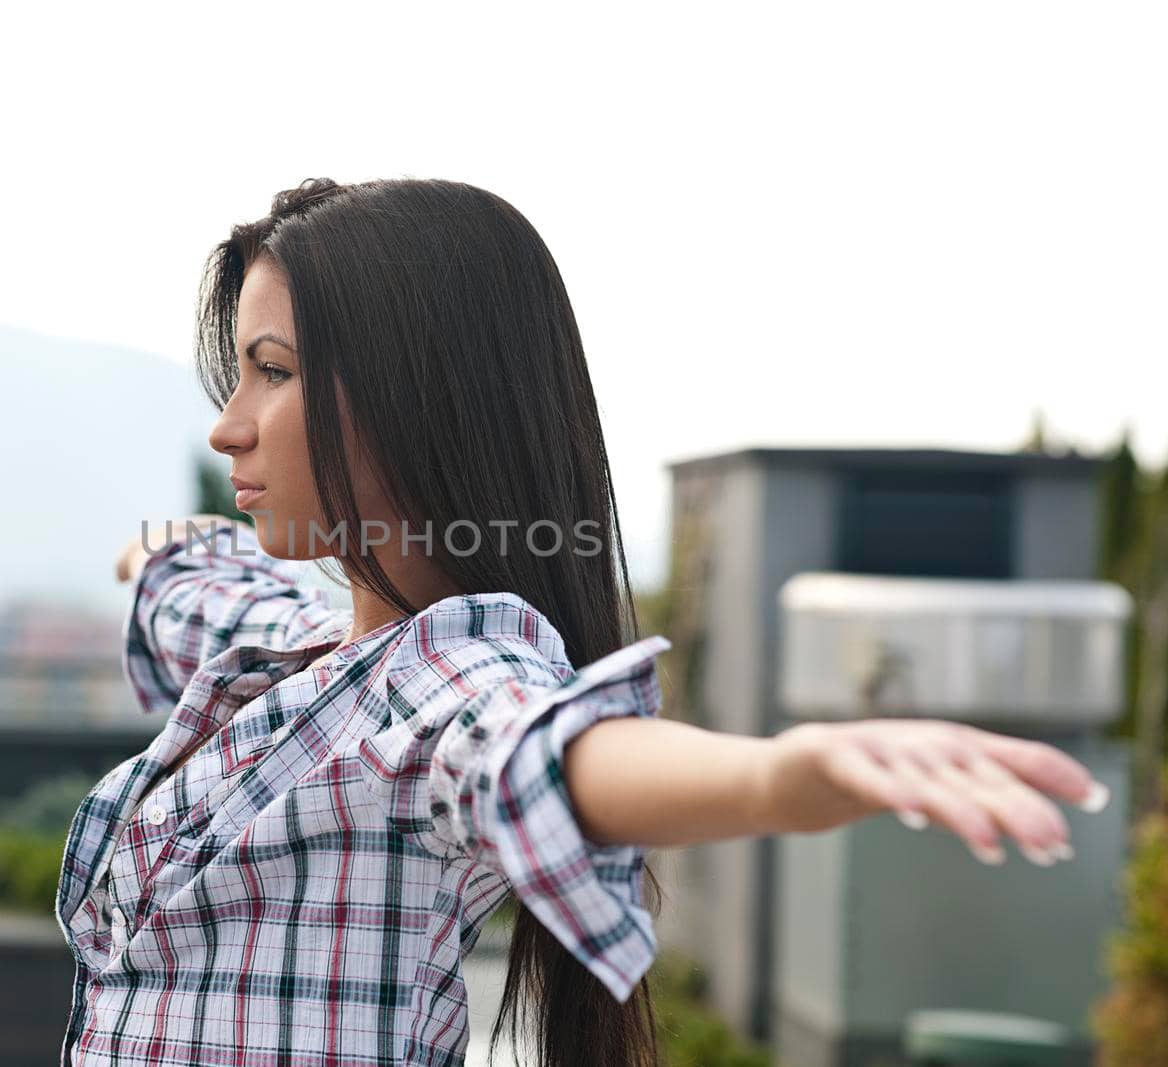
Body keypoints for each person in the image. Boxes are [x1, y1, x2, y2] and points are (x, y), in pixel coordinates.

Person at [56, 177, 1107, 1067]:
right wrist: (160, 553)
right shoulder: (305, 653)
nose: (227, 421)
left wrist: (780, 776)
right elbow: (208, 592)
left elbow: (554, 751)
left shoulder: (444, 684)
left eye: (273, 370)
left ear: (421, 395)